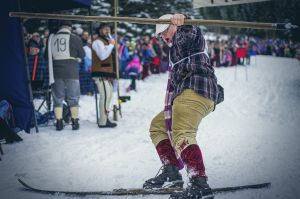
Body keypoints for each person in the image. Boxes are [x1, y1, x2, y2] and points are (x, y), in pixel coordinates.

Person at [143, 14, 224, 199]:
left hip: (197, 87)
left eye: (165, 32)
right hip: (186, 93)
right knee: (158, 127)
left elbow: (190, 31)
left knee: (183, 132)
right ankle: (172, 172)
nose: (163, 37)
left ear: (174, 26)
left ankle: (199, 183)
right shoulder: (174, 51)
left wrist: (182, 19)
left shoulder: (184, 34)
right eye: (160, 36)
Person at [46, 21, 85, 131]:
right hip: (71, 71)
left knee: (57, 97)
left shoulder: (51, 38)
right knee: (73, 97)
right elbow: (83, 55)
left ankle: (58, 121)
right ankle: (75, 121)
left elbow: (46, 56)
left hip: (56, 72)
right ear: (70, 28)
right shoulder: (75, 38)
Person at [91, 23, 117, 128]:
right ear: (100, 30)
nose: (107, 31)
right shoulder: (97, 41)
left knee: (108, 96)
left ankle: (105, 118)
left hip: (106, 73)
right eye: (105, 29)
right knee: (105, 96)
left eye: (109, 29)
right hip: (100, 73)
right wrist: (111, 45)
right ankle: (102, 121)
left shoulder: (106, 41)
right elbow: (102, 56)